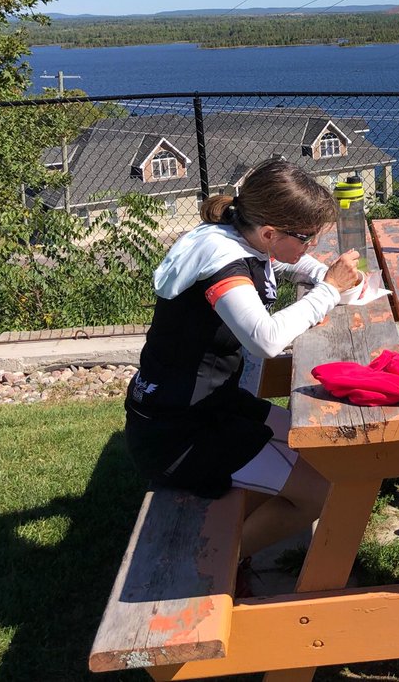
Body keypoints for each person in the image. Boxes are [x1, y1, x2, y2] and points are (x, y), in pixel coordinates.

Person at [123, 158, 363, 563]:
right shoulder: (224, 268)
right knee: (319, 490)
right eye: (307, 237)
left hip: (208, 404)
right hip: (178, 432)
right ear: (270, 232)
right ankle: (214, 566)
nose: (312, 247)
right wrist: (329, 291)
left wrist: (325, 274)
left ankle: (231, 529)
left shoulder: (237, 233)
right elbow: (265, 341)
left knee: (317, 445)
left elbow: (291, 260)